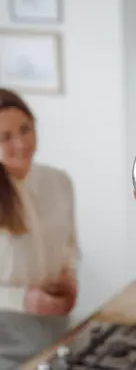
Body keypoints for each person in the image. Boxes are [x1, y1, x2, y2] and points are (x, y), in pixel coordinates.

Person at [0, 89, 80, 369]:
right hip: (5, 340)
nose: (21, 143)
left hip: (56, 331)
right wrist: (22, 300)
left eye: (25, 129)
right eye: (5, 137)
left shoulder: (59, 182)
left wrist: (69, 278)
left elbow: (70, 246)